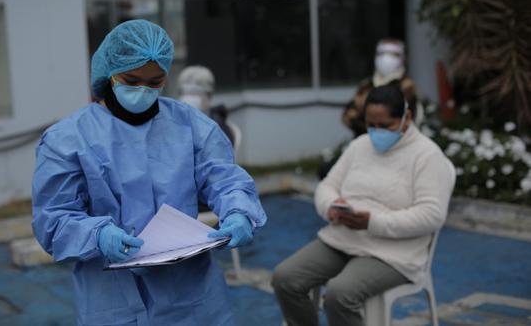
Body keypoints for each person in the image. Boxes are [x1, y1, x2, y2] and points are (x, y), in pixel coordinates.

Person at [32, 19, 267, 326]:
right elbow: (53, 218)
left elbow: (223, 178)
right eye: (131, 80)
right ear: (108, 74)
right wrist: (98, 235)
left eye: (155, 82)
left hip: (192, 294)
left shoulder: (191, 125)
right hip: (112, 297)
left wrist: (239, 212)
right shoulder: (67, 139)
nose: (143, 91)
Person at [272, 85, 454, 326]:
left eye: (385, 125)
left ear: (406, 118)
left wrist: (372, 222)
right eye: (371, 125)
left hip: (393, 253)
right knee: (285, 278)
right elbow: (327, 186)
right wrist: (331, 206)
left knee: (339, 294)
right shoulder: (360, 146)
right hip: (344, 238)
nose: (376, 133)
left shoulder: (427, 156)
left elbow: (431, 215)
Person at [342, 38, 422, 138]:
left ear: (403, 58)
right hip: (365, 140)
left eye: (393, 54)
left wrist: (370, 120)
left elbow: (401, 119)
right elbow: (349, 116)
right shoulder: (366, 84)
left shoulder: (406, 86)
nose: (386, 58)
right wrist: (370, 127)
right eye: (382, 53)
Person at [177, 65, 236, 145]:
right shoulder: (173, 122)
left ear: (209, 97)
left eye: (195, 93)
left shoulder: (219, 128)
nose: (189, 99)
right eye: (185, 93)